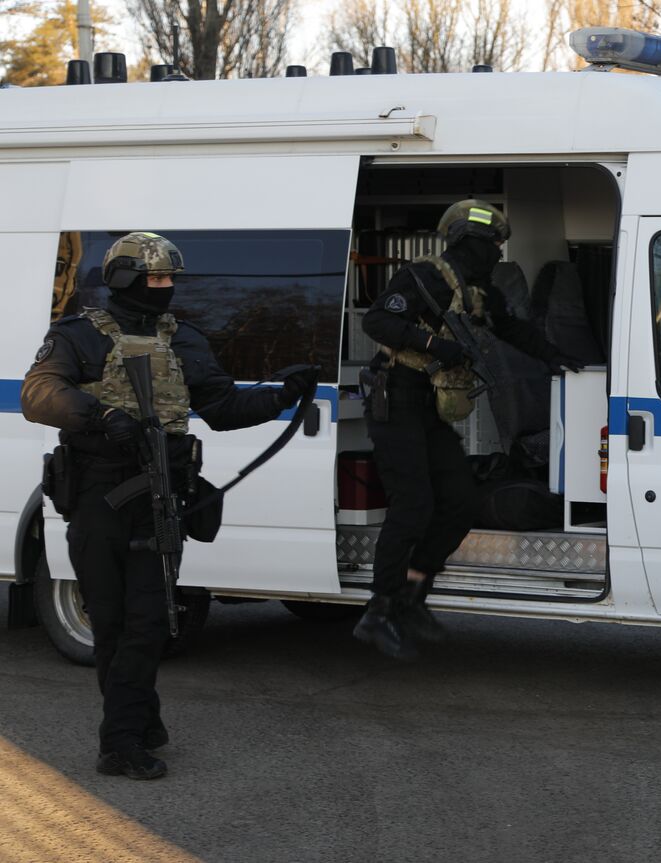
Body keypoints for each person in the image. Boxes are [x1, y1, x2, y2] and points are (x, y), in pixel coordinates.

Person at [21, 232, 317, 780]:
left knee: (150, 621)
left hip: (162, 493)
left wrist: (281, 394)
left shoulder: (184, 341)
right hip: (97, 496)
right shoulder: (79, 335)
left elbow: (223, 407)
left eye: (169, 280)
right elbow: (38, 393)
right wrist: (101, 416)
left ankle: (123, 738)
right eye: (156, 279)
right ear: (126, 279)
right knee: (111, 622)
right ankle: (134, 725)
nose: (166, 289)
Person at [354, 200, 581, 660]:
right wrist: (435, 344)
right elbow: (379, 320)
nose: (499, 251)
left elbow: (510, 328)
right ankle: (378, 613)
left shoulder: (478, 290)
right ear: (469, 241)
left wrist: (556, 357)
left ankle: (413, 595)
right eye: (494, 243)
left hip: (429, 407)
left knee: (460, 502)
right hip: (395, 398)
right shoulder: (422, 276)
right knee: (413, 505)